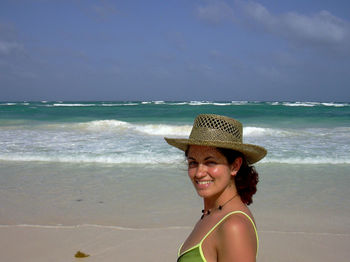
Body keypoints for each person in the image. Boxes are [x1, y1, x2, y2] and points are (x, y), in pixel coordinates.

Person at [165, 114, 267, 262]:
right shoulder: (212, 213)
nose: (199, 173)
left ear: (235, 166)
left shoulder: (233, 226)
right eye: (193, 162)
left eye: (210, 162)